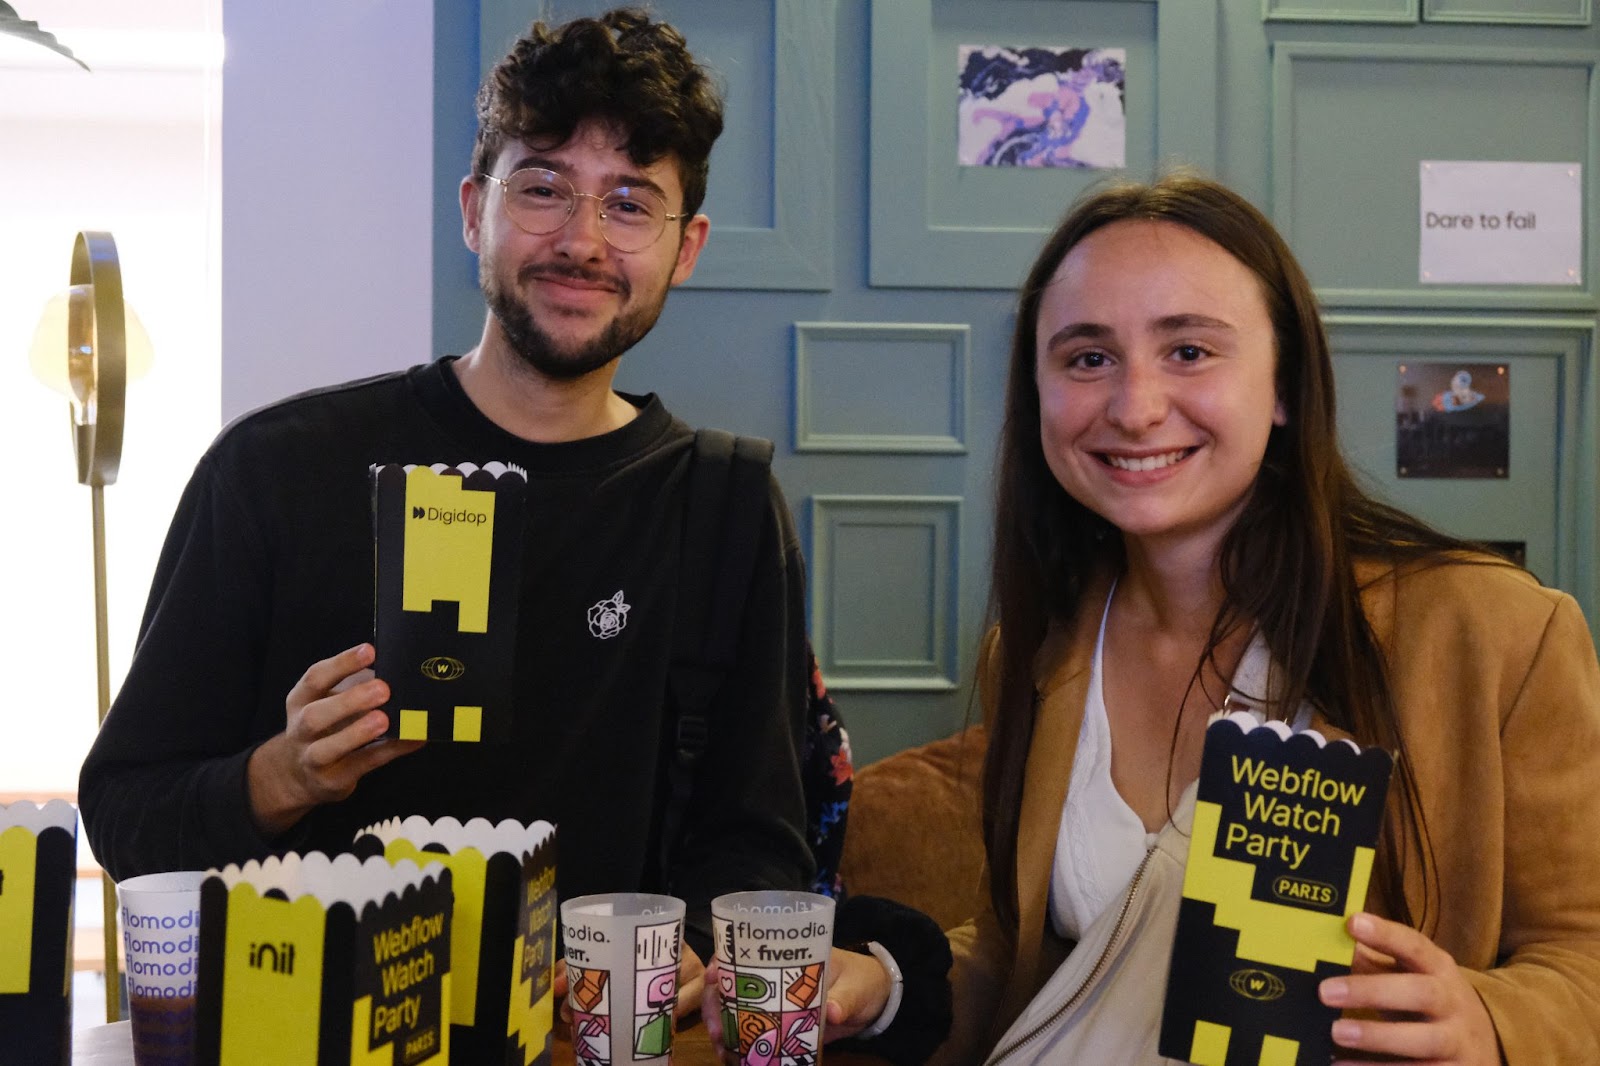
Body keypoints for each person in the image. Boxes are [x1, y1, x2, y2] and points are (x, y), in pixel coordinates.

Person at [78, 8, 815, 1010]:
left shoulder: (723, 508)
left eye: (631, 203)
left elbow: (758, 843)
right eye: (544, 187)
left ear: (685, 249)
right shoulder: (276, 472)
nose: (583, 240)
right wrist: (282, 775)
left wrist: (682, 946)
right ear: (474, 210)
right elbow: (124, 815)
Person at [794, 173, 1600, 1062]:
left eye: (1189, 352)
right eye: (1087, 357)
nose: (1135, 408)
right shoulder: (1042, 652)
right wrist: (882, 987)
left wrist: (1488, 1025)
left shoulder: (1493, 636)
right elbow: (1046, 957)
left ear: (1285, 385)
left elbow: (1584, 961)